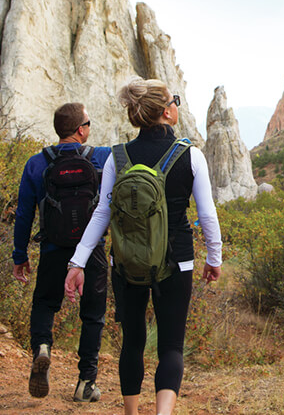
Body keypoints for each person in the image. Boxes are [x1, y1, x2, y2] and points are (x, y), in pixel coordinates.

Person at [65, 79, 222, 415]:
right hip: (175, 261)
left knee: (132, 343)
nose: (177, 106)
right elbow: (207, 215)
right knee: (171, 346)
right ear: (166, 111)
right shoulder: (190, 155)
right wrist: (214, 257)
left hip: (125, 263)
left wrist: (77, 263)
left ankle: (131, 414)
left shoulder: (117, 157)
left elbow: (102, 214)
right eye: (175, 101)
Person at [12, 103, 111, 402]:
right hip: (91, 249)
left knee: (44, 303)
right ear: (81, 130)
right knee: (93, 315)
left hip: (53, 247)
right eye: (88, 122)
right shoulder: (103, 157)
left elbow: (24, 213)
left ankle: (42, 347)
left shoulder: (36, 163)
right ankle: (85, 382)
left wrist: (20, 255)